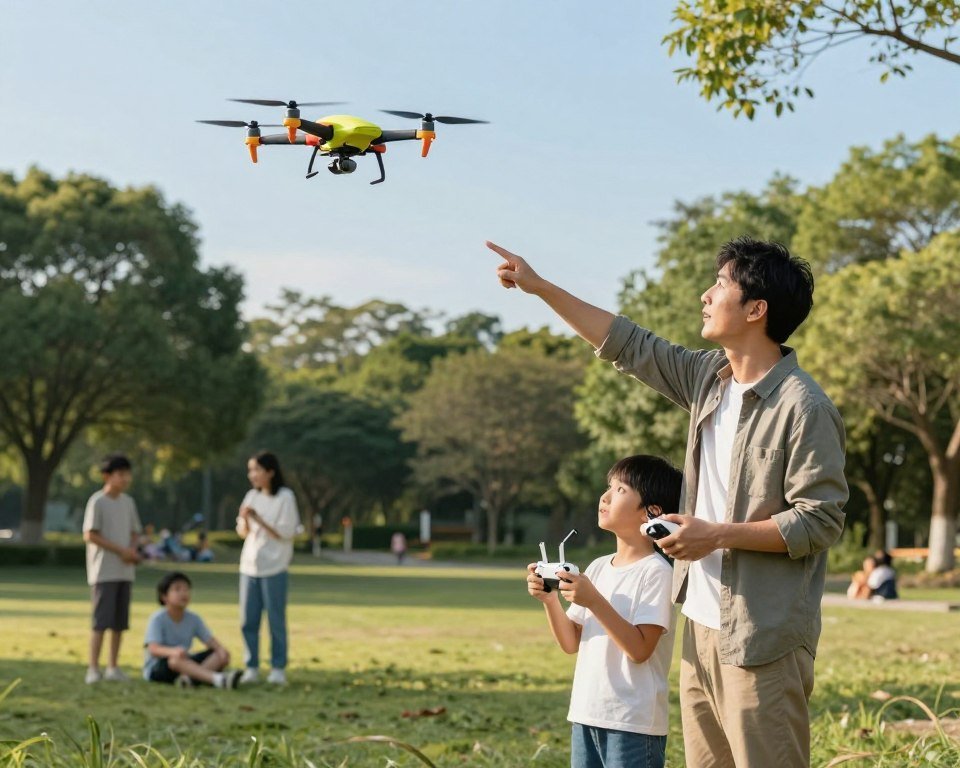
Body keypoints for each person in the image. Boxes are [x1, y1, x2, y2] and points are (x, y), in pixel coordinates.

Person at [489, 236, 848, 768]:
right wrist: (540, 288)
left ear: (757, 309)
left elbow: (820, 521)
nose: (706, 295)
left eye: (720, 284)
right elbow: (626, 343)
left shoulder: (804, 407)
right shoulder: (709, 380)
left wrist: (717, 534)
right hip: (700, 626)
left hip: (763, 636)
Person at [528, 455, 679, 768]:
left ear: (652, 511)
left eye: (621, 490)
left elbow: (639, 650)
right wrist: (550, 601)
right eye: (608, 487)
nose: (606, 496)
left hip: (633, 722)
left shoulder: (657, 572)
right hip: (586, 713)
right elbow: (571, 642)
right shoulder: (598, 567)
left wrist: (594, 600)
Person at [236, 451, 300, 685]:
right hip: (250, 566)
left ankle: (277, 668)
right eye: (251, 470)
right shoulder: (251, 496)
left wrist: (259, 519)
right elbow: (242, 532)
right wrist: (245, 519)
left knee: (275, 619)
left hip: (275, 567)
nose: (252, 475)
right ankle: (251, 666)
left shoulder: (285, 497)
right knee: (248, 620)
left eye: (257, 470)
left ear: (270, 472)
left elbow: (285, 532)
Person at [82, 453, 143, 684]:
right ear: (107, 476)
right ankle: (93, 668)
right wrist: (120, 550)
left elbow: (135, 532)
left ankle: (113, 667)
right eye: (120, 474)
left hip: (125, 571)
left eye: (127, 474)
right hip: (103, 571)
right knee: (100, 622)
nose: (125, 478)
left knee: (119, 623)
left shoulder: (128, 502)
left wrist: (132, 550)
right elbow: (90, 534)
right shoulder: (97, 501)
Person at [143, 571, 241, 688]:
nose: (183, 593)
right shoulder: (157, 618)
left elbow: (209, 640)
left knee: (219, 654)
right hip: (160, 666)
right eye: (177, 589)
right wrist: (173, 651)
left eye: (186, 589)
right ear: (164, 597)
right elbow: (153, 649)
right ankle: (219, 679)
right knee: (175, 660)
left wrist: (221, 651)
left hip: (184, 661)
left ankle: (190, 679)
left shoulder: (193, 618)